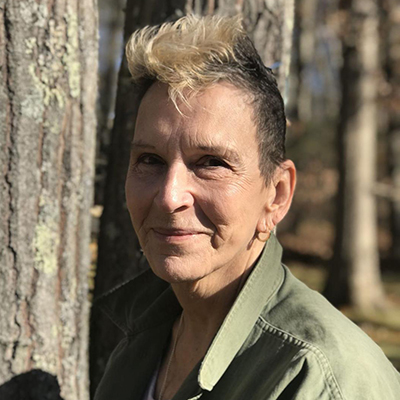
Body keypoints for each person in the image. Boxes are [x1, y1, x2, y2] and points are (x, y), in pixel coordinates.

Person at [94, 15, 400, 400]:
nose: (170, 197)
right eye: (150, 160)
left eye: (211, 163)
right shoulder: (143, 337)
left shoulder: (317, 375)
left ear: (276, 195)